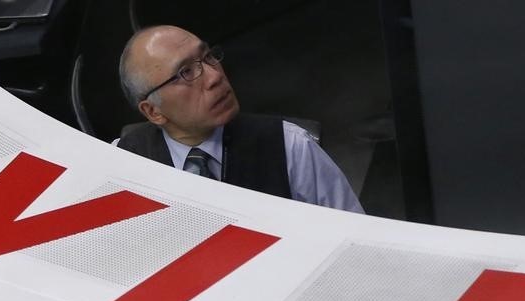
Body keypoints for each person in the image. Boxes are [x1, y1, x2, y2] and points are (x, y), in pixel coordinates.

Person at [116, 25, 364, 213]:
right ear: (153, 112)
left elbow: (357, 241)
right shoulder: (121, 161)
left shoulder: (289, 148)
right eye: (186, 72)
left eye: (208, 57)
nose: (214, 77)